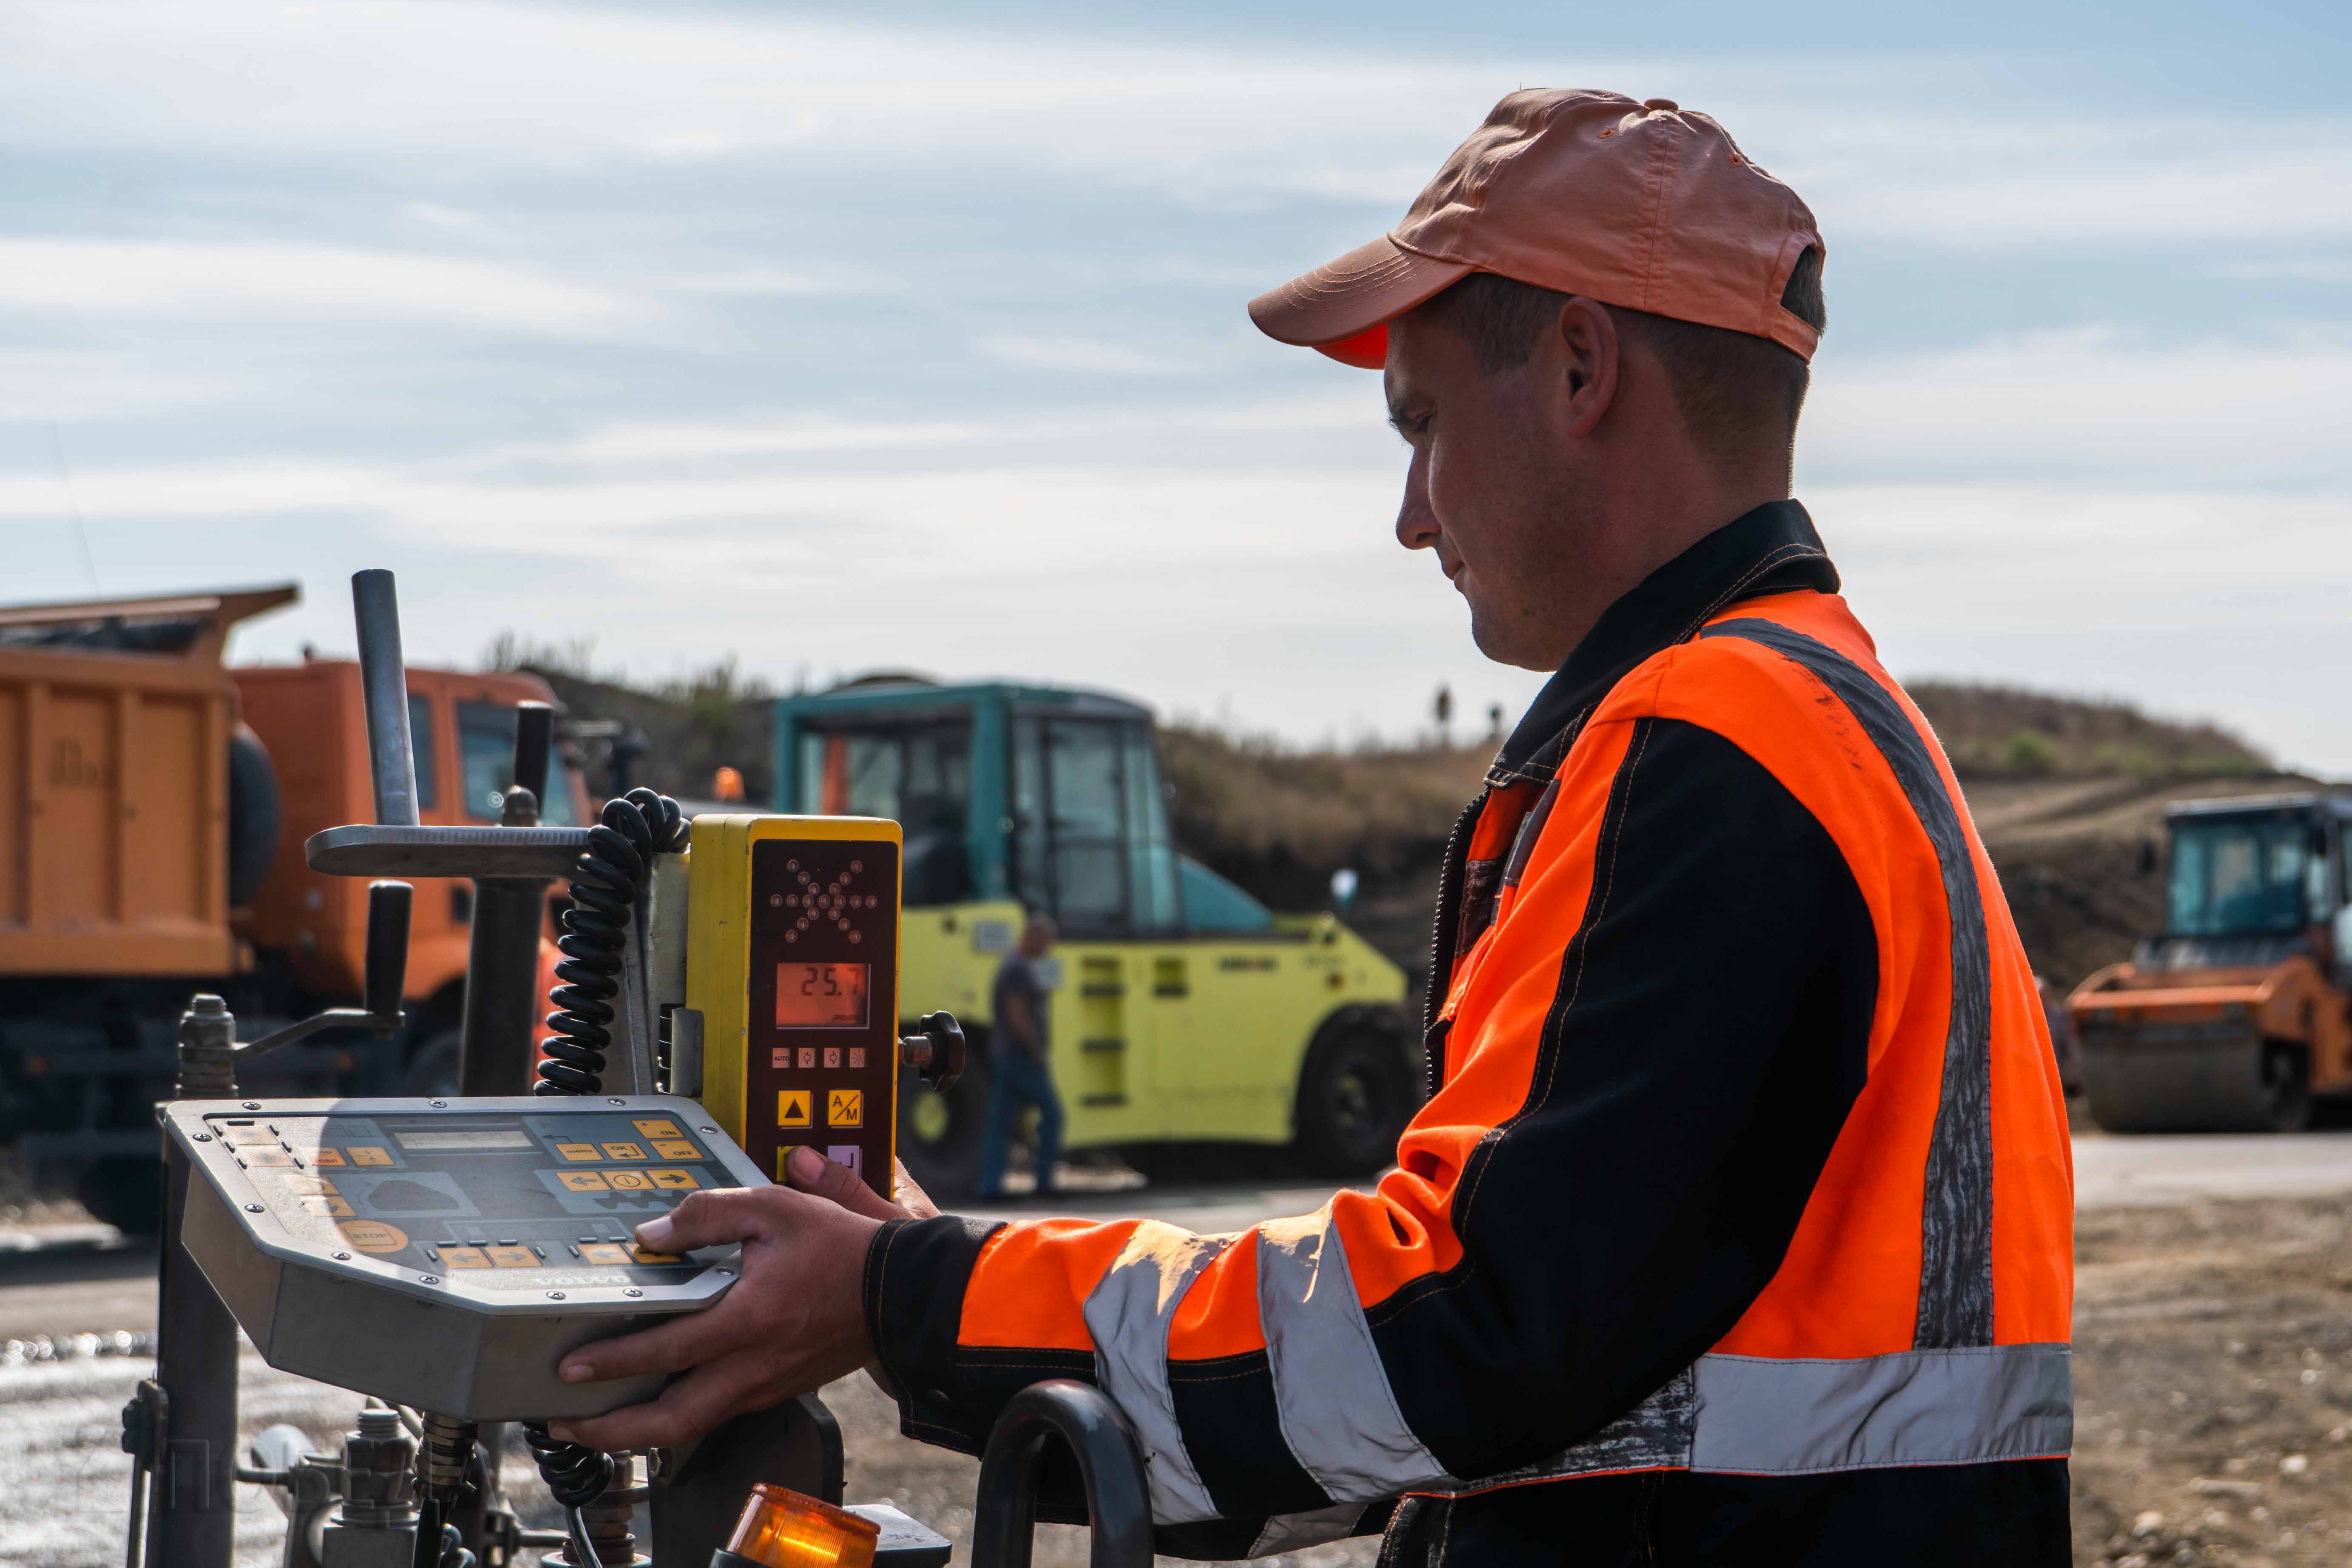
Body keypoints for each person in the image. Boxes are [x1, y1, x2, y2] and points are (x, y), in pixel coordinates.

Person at [548, 88, 2074, 1566]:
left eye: (1418, 426)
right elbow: (1507, 1385)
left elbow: (1443, 1338)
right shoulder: (1829, 724)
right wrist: (928, 1288)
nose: (1410, 514)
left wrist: (905, 1297)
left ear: (1579, 367)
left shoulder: (1713, 751)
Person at [975, 912, 1064, 1199]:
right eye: (1048, 941)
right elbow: (1017, 1014)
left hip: (1006, 1055)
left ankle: (990, 1187)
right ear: (1035, 937)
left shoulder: (1012, 964)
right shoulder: (1017, 969)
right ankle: (1044, 1183)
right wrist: (1036, 1049)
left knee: (1000, 1122)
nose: (1049, 948)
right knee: (1052, 1113)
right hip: (1020, 1057)